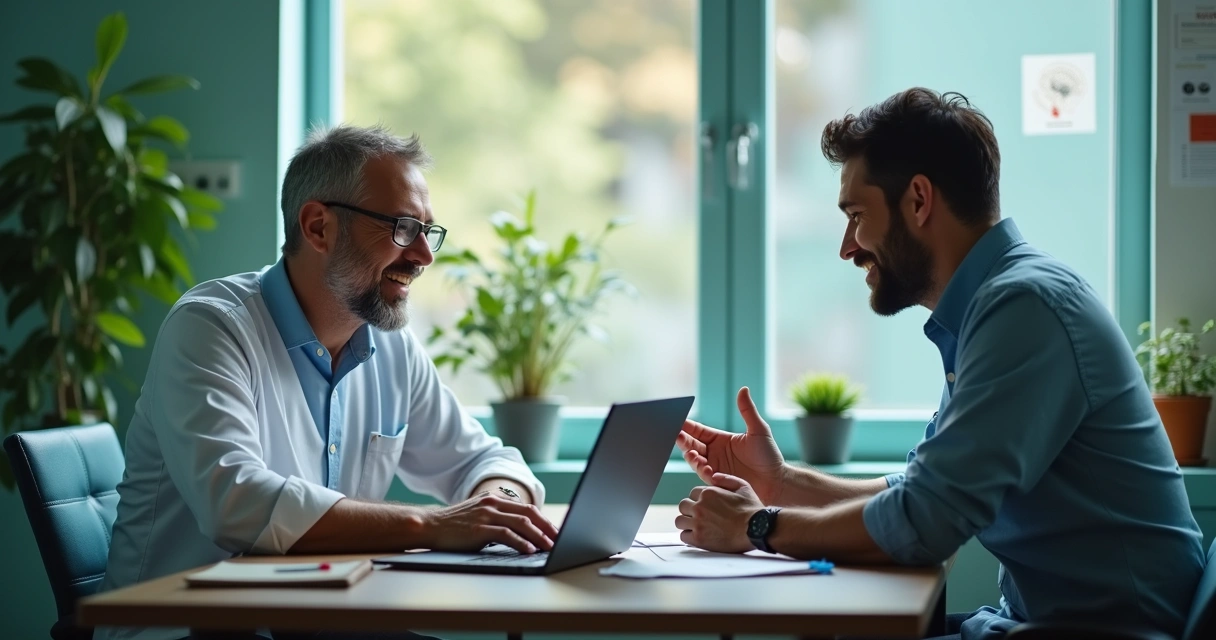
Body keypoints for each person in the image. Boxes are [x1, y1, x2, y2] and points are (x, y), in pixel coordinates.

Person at [673, 88, 1206, 640]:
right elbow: (921, 492)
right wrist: (779, 482)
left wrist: (757, 526)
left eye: (857, 215)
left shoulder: (1024, 309)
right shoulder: (994, 306)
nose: (847, 247)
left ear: (919, 201)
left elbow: (924, 523)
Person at [98, 125, 558, 640]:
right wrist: (432, 525)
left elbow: (482, 460)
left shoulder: (390, 344)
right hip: (186, 632)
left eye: (428, 231)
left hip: (323, 623)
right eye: (403, 228)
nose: (424, 255)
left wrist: (499, 509)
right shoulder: (211, 327)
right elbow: (235, 504)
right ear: (318, 227)